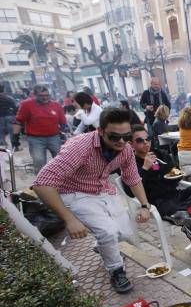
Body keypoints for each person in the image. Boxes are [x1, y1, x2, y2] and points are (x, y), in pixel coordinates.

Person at [32, 108, 152, 294]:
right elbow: (41, 183)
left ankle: (101, 246)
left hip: (102, 189)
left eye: (126, 136)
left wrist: (145, 206)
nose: (121, 141)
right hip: (74, 192)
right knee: (108, 232)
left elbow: (133, 178)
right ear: (101, 131)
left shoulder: (126, 149)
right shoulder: (80, 147)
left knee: (125, 232)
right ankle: (116, 271)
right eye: (114, 137)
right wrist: (69, 219)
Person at [128, 125, 191, 273]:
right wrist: (144, 169)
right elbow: (131, 192)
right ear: (131, 144)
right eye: (140, 140)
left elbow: (175, 175)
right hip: (160, 203)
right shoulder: (130, 164)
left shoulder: (159, 154)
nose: (146, 143)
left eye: (148, 139)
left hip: (177, 195)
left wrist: (171, 171)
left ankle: (186, 210)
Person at [15, 85, 66, 173]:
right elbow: (19, 121)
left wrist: (62, 134)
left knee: (60, 161)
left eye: (47, 95)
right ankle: (42, 183)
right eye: (41, 96)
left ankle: (62, 181)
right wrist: (15, 138)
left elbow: (62, 121)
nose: (45, 98)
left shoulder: (56, 105)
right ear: (34, 95)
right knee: (39, 162)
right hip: (36, 139)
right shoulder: (26, 105)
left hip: (54, 137)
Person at [0, 84, 17, 148]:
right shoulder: (8, 97)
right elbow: (14, 106)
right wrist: (15, 114)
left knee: (1, 130)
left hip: (0, 117)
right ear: (3, 89)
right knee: (12, 131)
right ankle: (14, 146)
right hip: (9, 115)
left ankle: (3, 144)